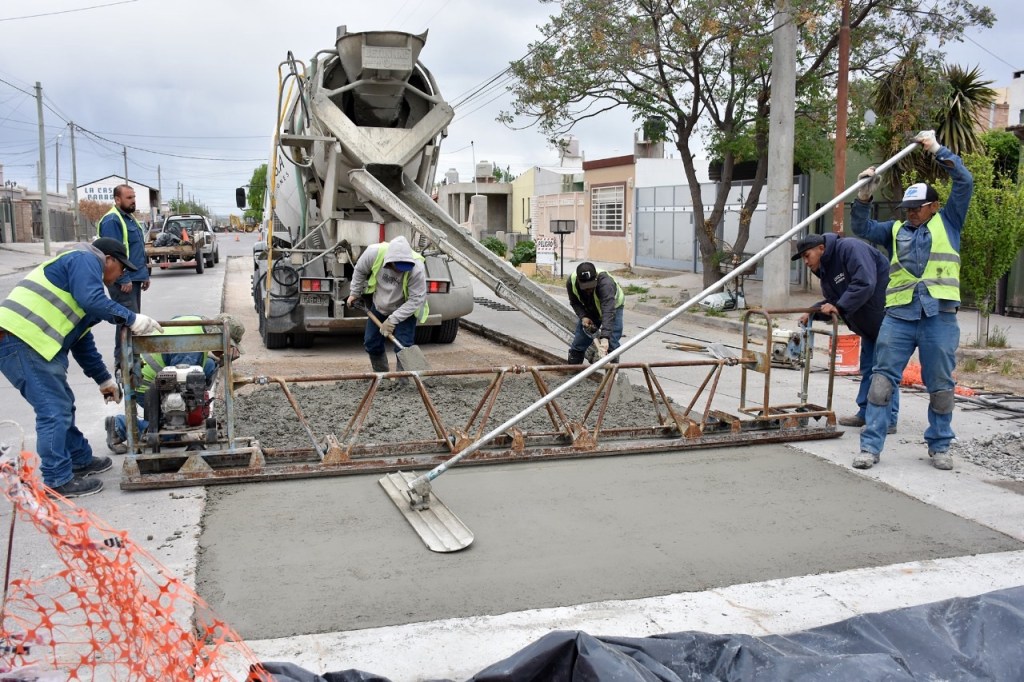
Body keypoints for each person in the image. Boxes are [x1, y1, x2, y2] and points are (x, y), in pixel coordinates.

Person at [0, 238, 163, 498]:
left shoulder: (80, 287)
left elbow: (82, 343)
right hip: (19, 339)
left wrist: (104, 380)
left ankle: (79, 459)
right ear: (108, 258)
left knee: (62, 403)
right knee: (53, 409)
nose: (122, 275)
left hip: (29, 342)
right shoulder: (83, 259)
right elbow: (92, 300)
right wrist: (131, 318)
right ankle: (57, 479)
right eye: (121, 267)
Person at [850, 130, 973, 471]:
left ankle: (940, 445)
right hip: (900, 317)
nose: (913, 213)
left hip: (940, 317)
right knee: (881, 381)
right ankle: (870, 447)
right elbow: (861, 226)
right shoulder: (894, 231)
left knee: (941, 385)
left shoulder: (949, 222)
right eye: (908, 208)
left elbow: (964, 181)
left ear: (934, 206)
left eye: (918, 208)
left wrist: (937, 149)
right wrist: (863, 195)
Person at [793, 232, 899, 434]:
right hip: (868, 325)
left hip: (886, 319)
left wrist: (838, 307)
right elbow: (835, 300)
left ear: (821, 248)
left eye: (807, 256)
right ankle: (866, 412)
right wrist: (813, 312)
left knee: (884, 371)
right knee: (869, 369)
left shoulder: (850, 248)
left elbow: (864, 283)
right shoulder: (827, 269)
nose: (806, 262)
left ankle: (887, 419)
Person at [105, 314, 244, 453]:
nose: (227, 350)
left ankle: (161, 422)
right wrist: (191, 428)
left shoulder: (196, 323)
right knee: (173, 434)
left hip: (154, 374)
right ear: (219, 338)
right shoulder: (189, 350)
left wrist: (223, 359)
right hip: (146, 387)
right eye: (228, 346)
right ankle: (120, 425)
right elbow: (179, 388)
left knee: (209, 365)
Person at [344, 235, 427, 372]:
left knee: (403, 346)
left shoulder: (417, 268)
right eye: (398, 267)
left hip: (404, 309)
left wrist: (392, 320)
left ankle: (405, 384)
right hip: (380, 305)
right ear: (390, 261)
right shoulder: (374, 253)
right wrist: (354, 293)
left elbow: (415, 300)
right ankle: (382, 377)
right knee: (371, 343)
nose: (401, 271)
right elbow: (360, 271)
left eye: (404, 268)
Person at [97, 184, 152, 370]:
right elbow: (113, 255)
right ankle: (125, 364)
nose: (133, 200)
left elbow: (137, 249)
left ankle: (132, 359)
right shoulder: (112, 220)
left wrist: (144, 274)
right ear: (117, 199)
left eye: (134, 197)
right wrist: (123, 278)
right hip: (123, 280)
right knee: (127, 321)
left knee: (133, 319)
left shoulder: (129, 218)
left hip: (134, 277)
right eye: (129, 198)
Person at [566, 262, 625, 364]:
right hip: (591, 308)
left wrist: (605, 337)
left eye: (591, 286)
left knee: (612, 342)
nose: (588, 290)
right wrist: (583, 316)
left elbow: (608, 311)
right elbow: (574, 302)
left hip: (613, 307)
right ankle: (573, 371)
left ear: (596, 278)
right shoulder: (571, 282)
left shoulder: (606, 284)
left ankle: (612, 376)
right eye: (585, 287)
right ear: (579, 281)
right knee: (580, 340)